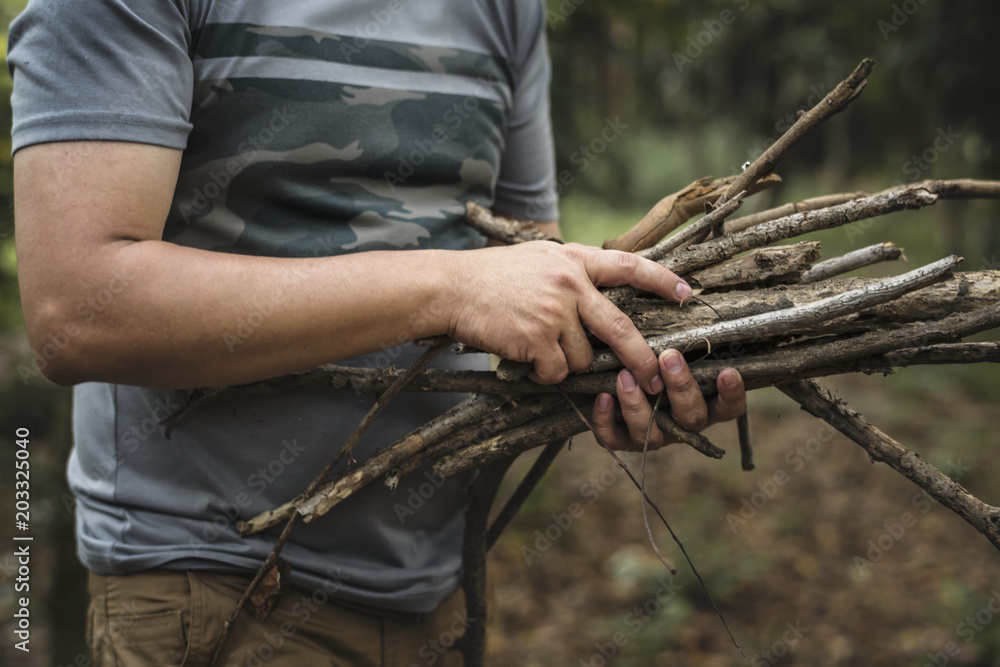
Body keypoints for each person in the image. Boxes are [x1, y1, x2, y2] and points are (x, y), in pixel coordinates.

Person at [8, 0, 746, 664]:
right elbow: (78, 311)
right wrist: (449, 287)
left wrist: (630, 369)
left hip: (438, 596)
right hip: (217, 590)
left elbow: (524, 275)